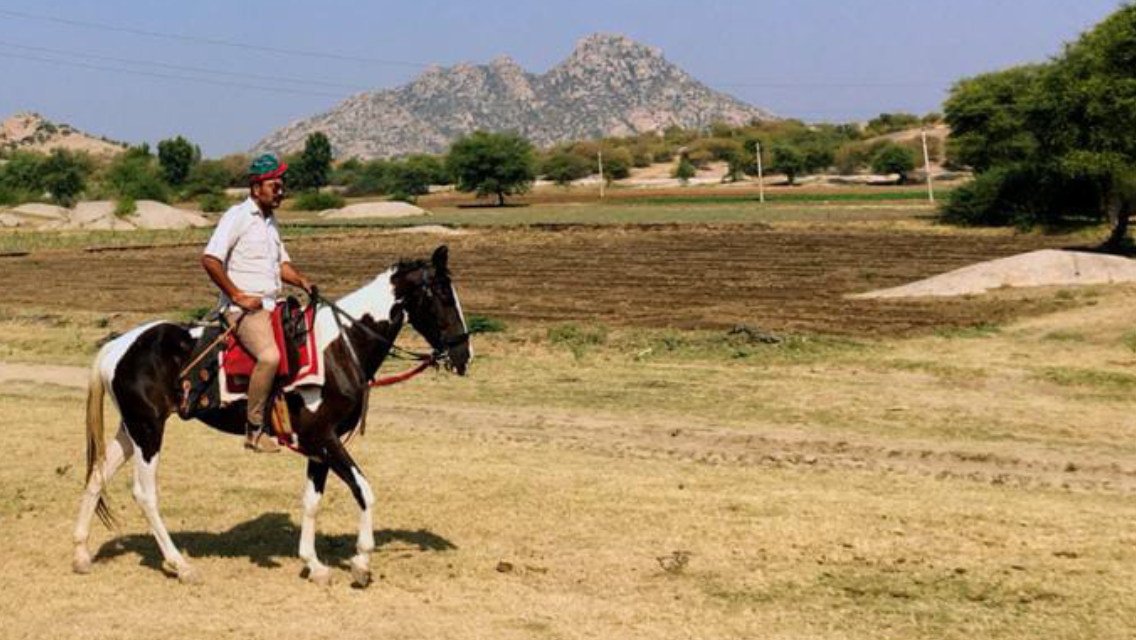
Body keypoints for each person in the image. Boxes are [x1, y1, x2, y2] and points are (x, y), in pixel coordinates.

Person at [201, 154, 313, 453]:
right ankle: (254, 430)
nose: (280, 190)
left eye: (281, 185)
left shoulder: (270, 223)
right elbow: (210, 259)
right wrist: (237, 295)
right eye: (274, 185)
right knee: (270, 357)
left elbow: (281, 265)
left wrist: (302, 281)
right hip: (244, 310)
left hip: (270, 304)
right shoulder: (237, 216)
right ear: (256, 188)